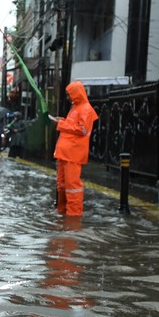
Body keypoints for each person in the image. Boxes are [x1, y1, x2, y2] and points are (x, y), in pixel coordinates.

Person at [49, 80, 99, 216]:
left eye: (70, 94)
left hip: (73, 153)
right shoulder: (75, 108)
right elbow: (74, 126)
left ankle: (73, 216)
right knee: (62, 184)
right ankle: (62, 211)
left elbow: (82, 130)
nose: (68, 97)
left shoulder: (85, 109)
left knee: (72, 186)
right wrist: (63, 121)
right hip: (65, 152)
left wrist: (61, 124)